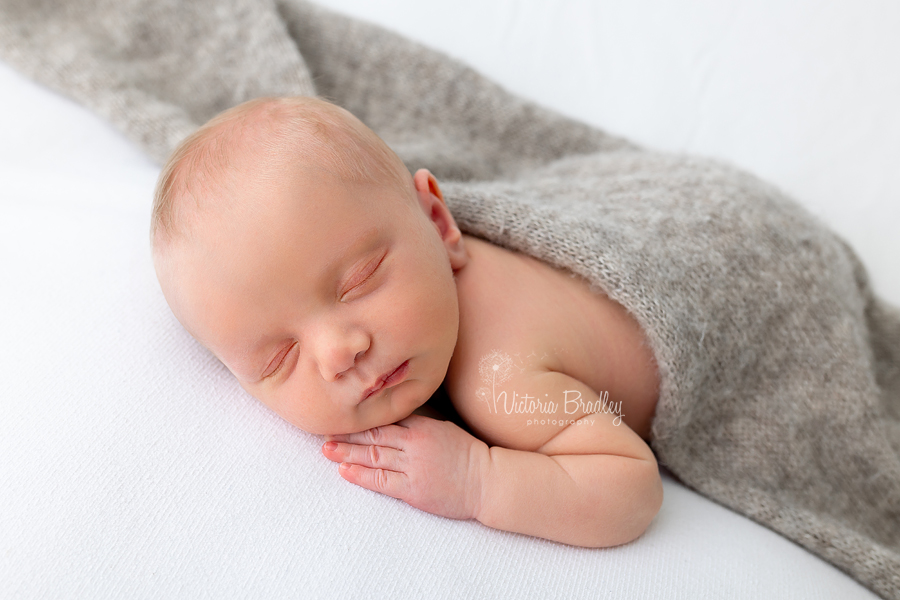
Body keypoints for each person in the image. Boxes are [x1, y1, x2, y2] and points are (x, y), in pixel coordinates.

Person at [151, 95, 664, 548]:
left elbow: (629, 488)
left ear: (439, 223)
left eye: (359, 280)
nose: (338, 352)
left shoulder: (500, 377)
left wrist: (477, 479)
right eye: (278, 358)